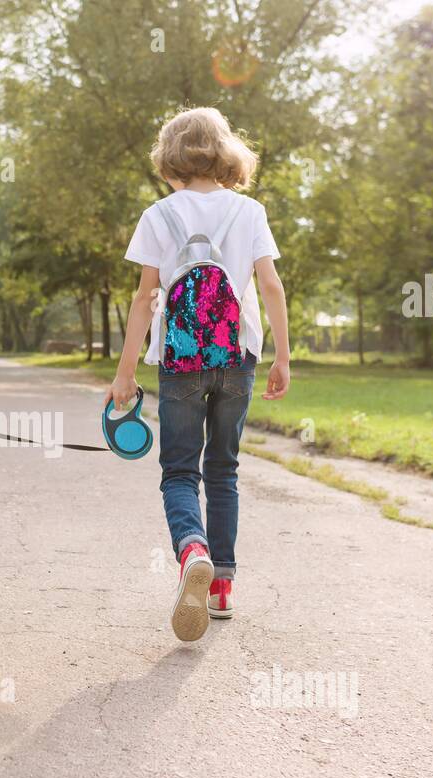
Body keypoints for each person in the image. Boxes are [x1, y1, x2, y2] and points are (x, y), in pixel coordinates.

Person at [104, 106, 291, 642]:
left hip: (180, 360)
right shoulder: (249, 211)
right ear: (226, 152)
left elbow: (145, 298)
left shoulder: (158, 215)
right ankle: (222, 588)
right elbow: (270, 285)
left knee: (180, 471)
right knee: (224, 469)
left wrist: (125, 374)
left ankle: (192, 551)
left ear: (170, 157)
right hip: (238, 357)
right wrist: (282, 356)